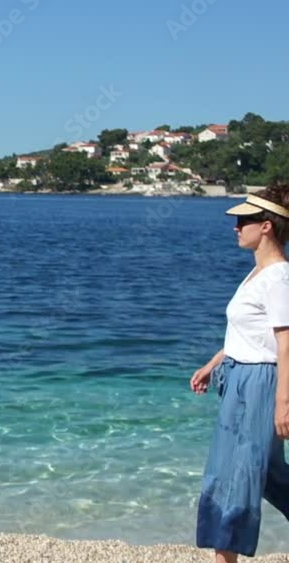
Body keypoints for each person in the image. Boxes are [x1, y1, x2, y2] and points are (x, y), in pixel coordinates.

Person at [190, 185, 289, 562]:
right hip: (238, 378)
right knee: (265, 474)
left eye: (243, 220)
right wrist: (213, 364)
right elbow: (249, 333)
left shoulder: (278, 277)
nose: (235, 227)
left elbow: (285, 343)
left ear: (266, 226)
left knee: (238, 476)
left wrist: (283, 402)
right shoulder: (257, 274)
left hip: (260, 384)